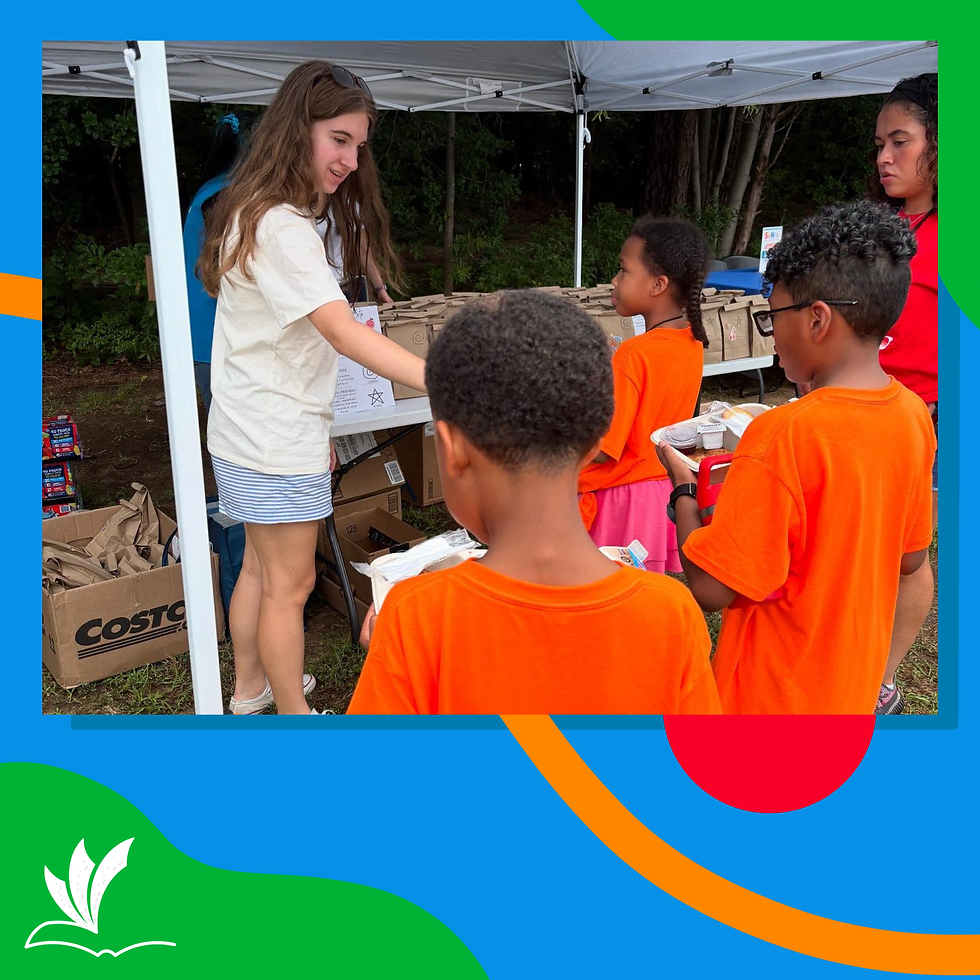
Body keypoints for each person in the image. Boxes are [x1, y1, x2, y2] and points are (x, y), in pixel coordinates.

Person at [347, 290, 720, 715]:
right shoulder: (673, 615)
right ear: (595, 440)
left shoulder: (415, 617)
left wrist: (391, 653)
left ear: (452, 450)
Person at [198, 62, 426, 715]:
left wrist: (313, 432)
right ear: (299, 129)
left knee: (264, 572)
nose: (352, 160)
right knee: (289, 586)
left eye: (359, 145)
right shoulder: (283, 228)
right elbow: (343, 332)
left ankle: (249, 690)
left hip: (251, 426)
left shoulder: (263, 209)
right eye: (339, 140)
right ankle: (296, 723)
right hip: (271, 432)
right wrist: (446, 378)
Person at [655, 201, 935, 715]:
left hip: (772, 702)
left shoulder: (782, 433)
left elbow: (714, 588)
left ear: (817, 319)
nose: (772, 330)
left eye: (771, 316)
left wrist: (684, 491)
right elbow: (910, 557)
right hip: (851, 689)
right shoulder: (912, 414)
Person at [577, 217, 709, 573]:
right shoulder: (691, 341)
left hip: (621, 500)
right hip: (662, 490)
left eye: (623, 271)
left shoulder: (634, 354)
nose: (614, 281)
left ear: (658, 285)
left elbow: (604, 449)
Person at [868, 72, 939, 715]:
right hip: (859, 408)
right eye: (880, 145)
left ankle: (881, 681)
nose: (886, 158)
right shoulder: (877, 229)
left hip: (924, 418)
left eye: (901, 142)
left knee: (908, 557)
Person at [182, 113, 246, 412]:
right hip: (218, 334)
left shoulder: (210, 189)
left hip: (204, 331)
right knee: (231, 429)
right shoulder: (226, 196)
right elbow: (220, 273)